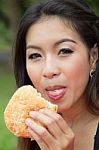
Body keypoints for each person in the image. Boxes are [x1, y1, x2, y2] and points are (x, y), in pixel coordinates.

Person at [13, 0, 99, 149]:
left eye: (64, 51)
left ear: (93, 57)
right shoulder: (33, 132)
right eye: (35, 55)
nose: (48, 70)